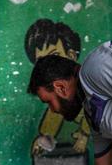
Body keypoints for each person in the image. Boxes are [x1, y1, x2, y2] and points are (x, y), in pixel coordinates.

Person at [24, 19, 90, 154]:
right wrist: (45, 137)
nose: (48, 67)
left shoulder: (93, 86)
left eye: (54, 56)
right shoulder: (62, 98)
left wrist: (84, 134)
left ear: (71, 56)